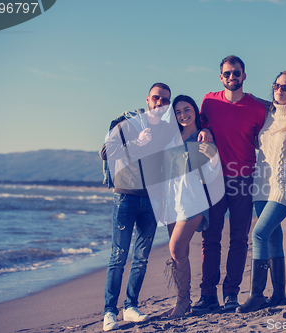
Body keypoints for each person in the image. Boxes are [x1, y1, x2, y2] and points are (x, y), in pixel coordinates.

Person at [99, 83, 178, 331]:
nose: (160, 103)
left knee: (142, 258)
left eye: (165, 100)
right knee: (118, 256)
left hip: (153, 199)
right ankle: (109, 312)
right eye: (156, 98)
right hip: (126, 197)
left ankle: (130, 307)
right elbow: (105, 151)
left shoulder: (167, 129)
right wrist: (136, 144)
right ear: (147, 99)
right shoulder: (129, 124)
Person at [192, 55, 267, 312]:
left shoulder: (258, 108)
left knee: (239, 239)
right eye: (227, 74)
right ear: (220, 77)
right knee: (210, 238)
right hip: (214, 179)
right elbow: (196, 123)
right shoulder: (209, 101)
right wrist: (205, 129)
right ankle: (208, 295)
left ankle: (232, 293)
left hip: (243, 179)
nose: (232, 77)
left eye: (236, 73)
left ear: (244, 76)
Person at [236, 70, 286, 313]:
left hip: (284, 186)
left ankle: (256, 295)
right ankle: (279, 293)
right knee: (274, 237)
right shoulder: (266, 114)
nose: (279, 90)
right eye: (276, 85)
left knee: (259, 234)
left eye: (285, 87)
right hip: (261, 185)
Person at [161, 95, 221, 318]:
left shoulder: (203, 138)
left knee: (175, 249)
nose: (183, 115)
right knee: (181, 253)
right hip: (172, 203)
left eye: (187, 110)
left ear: (195, 111)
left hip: (193, 201)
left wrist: (212, 158)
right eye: (178, 112)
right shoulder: (172, 138)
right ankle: (182, 301)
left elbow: (212, 173)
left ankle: (184, 301)